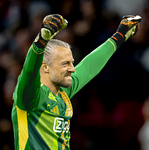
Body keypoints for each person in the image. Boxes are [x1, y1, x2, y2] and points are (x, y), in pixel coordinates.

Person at [11, 14, 141, 149]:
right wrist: (41, 42)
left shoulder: (63, 92)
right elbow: (29, 72)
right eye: (65, 64)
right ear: (45, 67)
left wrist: (119, 36)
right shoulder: (29, 97)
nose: (72, 69)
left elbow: (88, 67)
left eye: (71, 63)